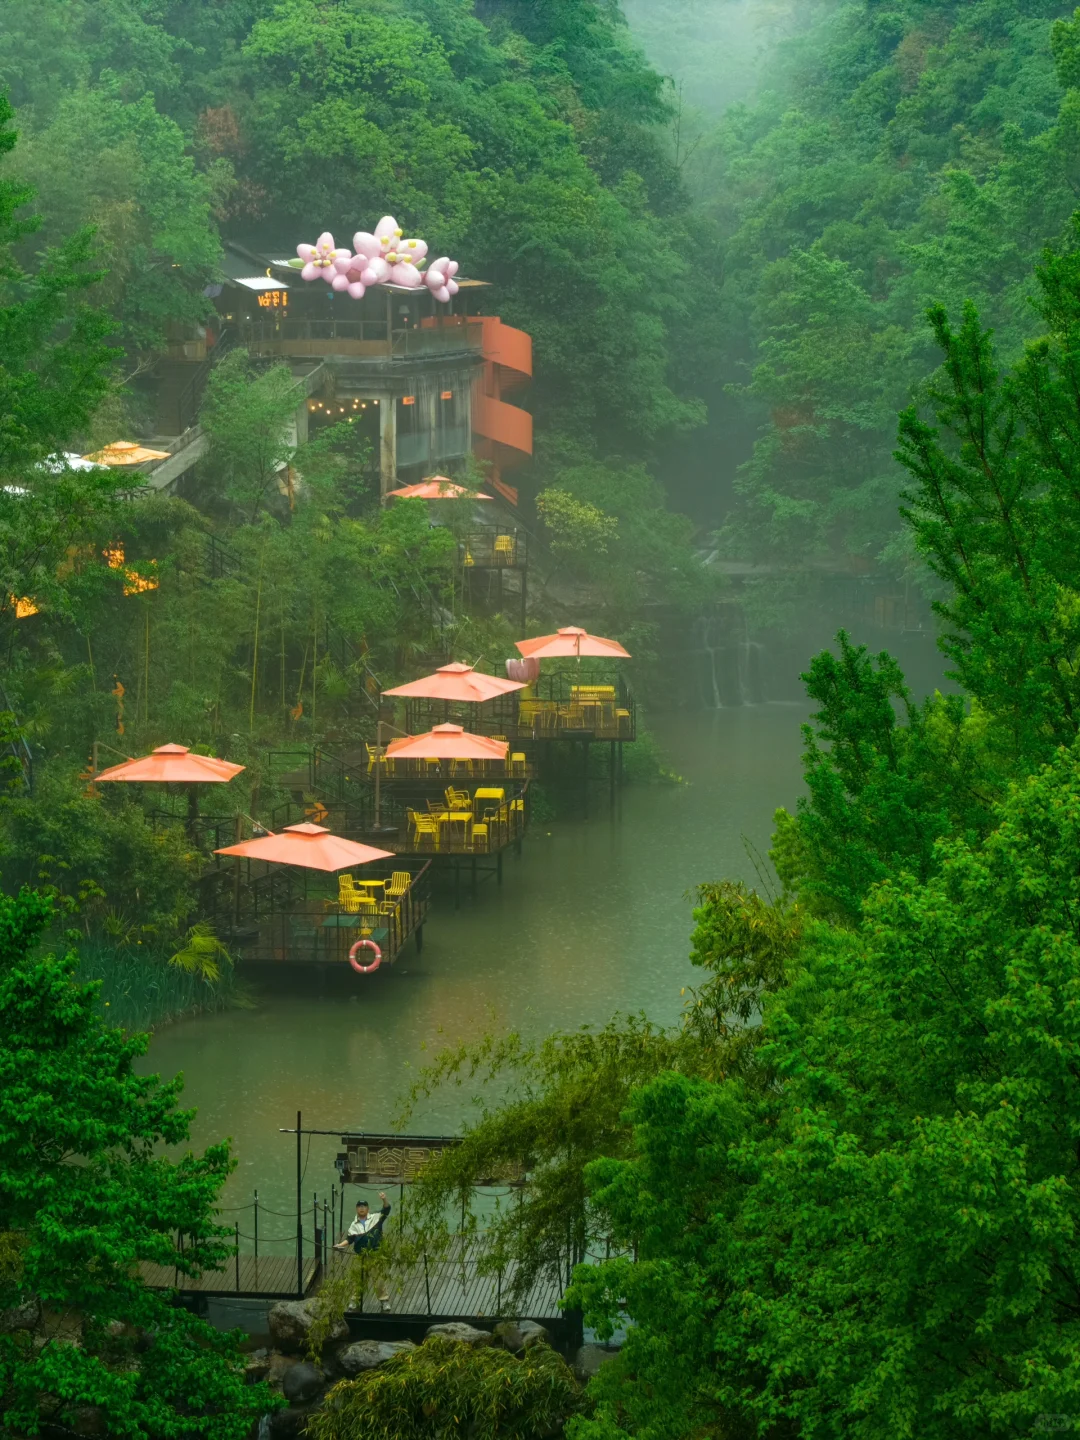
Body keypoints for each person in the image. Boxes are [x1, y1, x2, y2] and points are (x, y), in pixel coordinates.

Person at [334, 1192, 392, 1311]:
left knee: (378, 1279)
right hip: (360, 1255)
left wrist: (384, 1199)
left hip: (375, 1254)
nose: (362, 1208)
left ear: (367, 1208)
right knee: (358, 1279)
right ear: (356, 1209)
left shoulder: (376, 1218)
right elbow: (349, 1239)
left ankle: (384, 1301)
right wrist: (339, 1245)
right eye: (359, 1206)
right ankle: (354, 1300)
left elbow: (387, 1210)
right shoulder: (353, 1225)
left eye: (364, 1206)